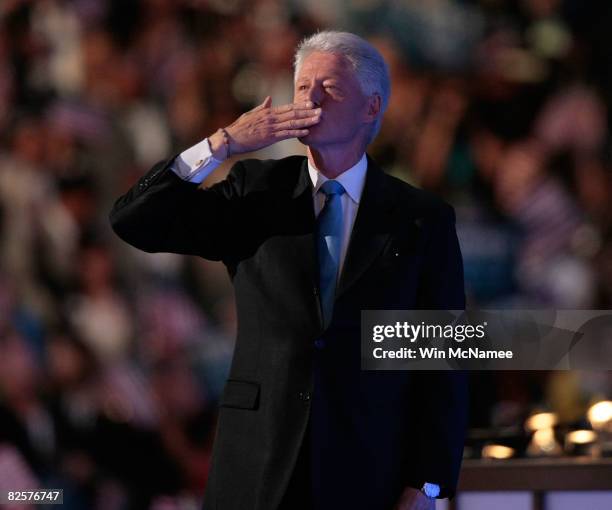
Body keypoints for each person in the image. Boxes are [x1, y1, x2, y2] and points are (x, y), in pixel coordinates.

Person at [110, 31, 468, 510]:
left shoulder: (422, 218)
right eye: (302, 88)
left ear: (371, 106)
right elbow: (133, 220)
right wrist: (223, 143)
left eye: (330, 88)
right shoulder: (255, 189)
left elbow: (442, 360)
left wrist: (427, 483)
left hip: (365, 470)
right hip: (257, 461)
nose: (311, 100)